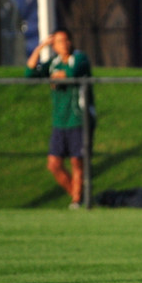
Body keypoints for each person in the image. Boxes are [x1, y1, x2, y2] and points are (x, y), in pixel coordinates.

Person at [25, 29, 95, 209]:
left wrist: (58, 76)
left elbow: (71, 73)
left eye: (65, 40)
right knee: (54, 164)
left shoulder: (80, 58)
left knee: (77, 161)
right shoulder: (53, 63)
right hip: (60, 121)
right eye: (58, 41)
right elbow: (30, 72)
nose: (63, 44)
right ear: (54, 45)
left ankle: (77, 201)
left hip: (79, 119)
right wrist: (41, 47)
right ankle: (79, 196)